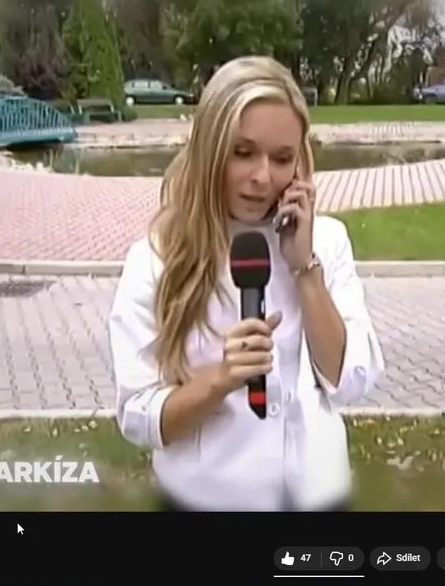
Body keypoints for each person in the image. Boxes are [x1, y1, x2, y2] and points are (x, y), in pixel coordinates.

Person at [107, 56, 385, 511]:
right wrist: (220, 379)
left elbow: (350, 382)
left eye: (282, 158)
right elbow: (141, 418)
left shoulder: (326, 242)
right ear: (210, 150)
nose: (262, 177)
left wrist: (305, 269)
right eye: (243, 152)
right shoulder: (157, 259)